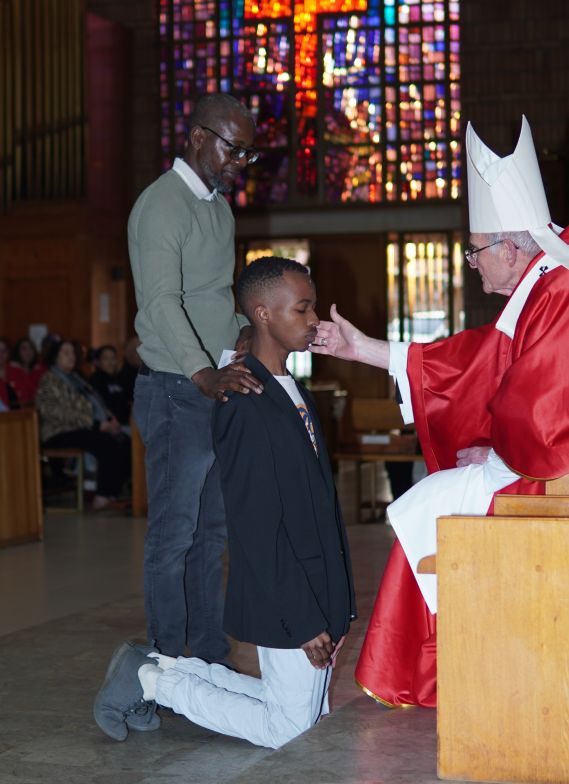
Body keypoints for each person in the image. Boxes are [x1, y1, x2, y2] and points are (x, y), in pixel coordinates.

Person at [311, 115, 569, 708]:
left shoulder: (556, 291)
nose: (471, 262)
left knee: (429, 504)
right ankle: (430, 670)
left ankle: (421, 674)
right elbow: (476, 362)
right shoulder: (540, 288)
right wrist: (365, 350)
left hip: (549, 476)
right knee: (429, 501)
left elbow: (541, 407)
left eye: (476, 250)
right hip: (537, 464)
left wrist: (500, 454)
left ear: (510, 247)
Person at [93, 257, 357, 747]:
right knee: (289, 728)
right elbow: (256, 523)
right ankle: (152, 682)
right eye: (302, 309)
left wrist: (334, 603)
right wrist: (303, 617)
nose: (314, 320)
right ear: (262, 314)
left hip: (314, 587)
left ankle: (157, 665)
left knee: (309, 713)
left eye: (313, 308)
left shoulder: (294, 391)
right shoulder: (244, 400)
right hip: (286, 594)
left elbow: (317, 505)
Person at [129, 93, 264, 688]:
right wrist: (202, 372)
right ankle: (165, 666)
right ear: (197, 137)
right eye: (234, 149)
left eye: (247, 154)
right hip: (174, 390)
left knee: (211, 535)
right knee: (174, 535)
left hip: (212, 386)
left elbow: (212, 300)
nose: (240, 163)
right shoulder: (162, 206)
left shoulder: (220, 210)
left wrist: (243, 331)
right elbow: (161, 304)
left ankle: (208, 659)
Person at [36, 339, 131, 510]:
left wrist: (110, 419)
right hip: (58, 432)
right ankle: (102, 496)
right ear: (55, 357)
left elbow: (96, 401)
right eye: (66, 353)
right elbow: (56, 412)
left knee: (125, 442)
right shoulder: (49, 379)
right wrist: (96, 424)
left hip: (82, 428)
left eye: (73, 352)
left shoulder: (76, 378)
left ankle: (113, 493)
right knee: (106, 443)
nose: (71, 356)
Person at [89, 345, 131, 428]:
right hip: (110, 425)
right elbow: (98, 406)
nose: (110, 362)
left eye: (113, 358)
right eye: (106, 358)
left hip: (126, 423)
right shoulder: (95, 380)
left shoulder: (119, 379)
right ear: (98, 362)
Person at [11, 336, 46, 401]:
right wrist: (21, 371)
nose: (28, 351)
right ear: (17, 352)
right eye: (24, 349)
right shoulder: (11, 370)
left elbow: (38, 394)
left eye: (31, 348)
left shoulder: (40, 370)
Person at [0, 337, 32, 407]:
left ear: (8, 353)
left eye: (4, 351)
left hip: (22, 412)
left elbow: (32, 394)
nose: (1, 354)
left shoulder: (17, 371)